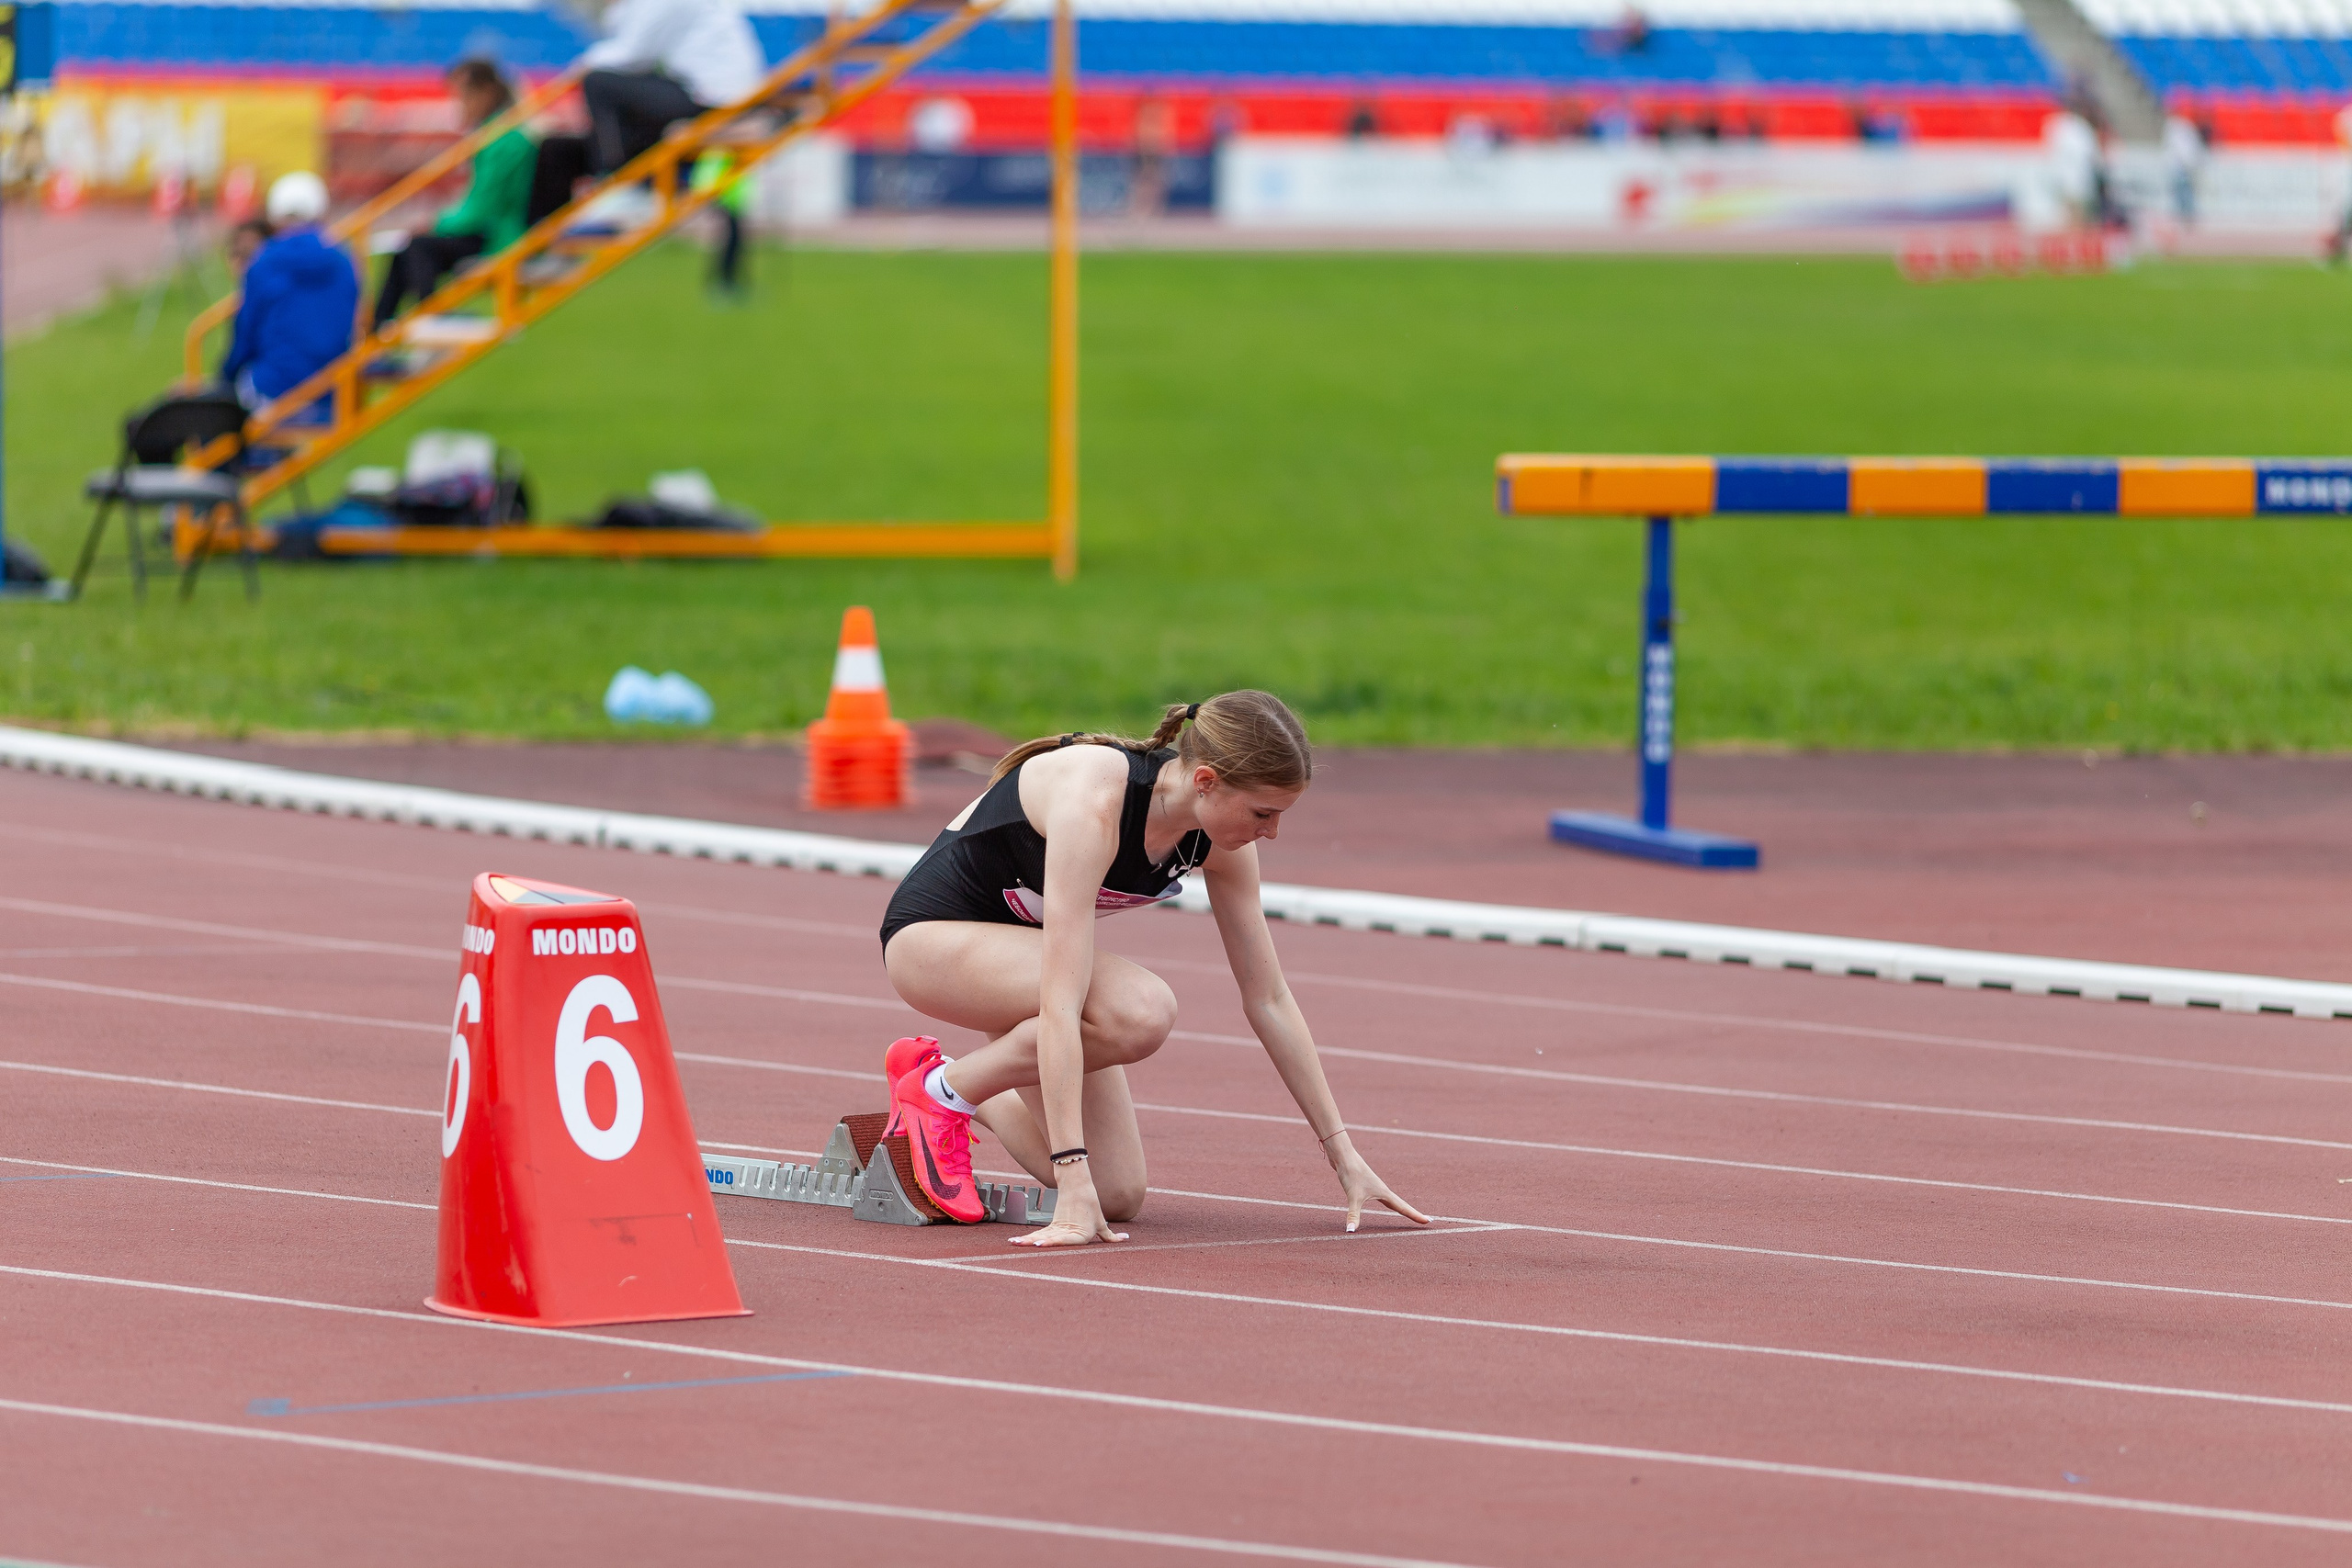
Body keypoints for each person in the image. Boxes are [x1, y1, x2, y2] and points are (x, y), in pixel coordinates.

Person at [876, 692, 1430, 1248]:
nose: (1273, 832)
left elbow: (1268, 997)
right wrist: (1070, 1181)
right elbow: (1061, 1001)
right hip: (931, 944)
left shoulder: (1219, 838)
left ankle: (948, 1085)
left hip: (1018, 959)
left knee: (1117, 1195)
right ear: (1207, 781)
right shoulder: (1096, 802)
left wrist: (1344, 1153)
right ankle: (940, 1095)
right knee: (1140, 1011)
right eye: (1264, 813)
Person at [371, 60, 535, 332]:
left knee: (419, 245)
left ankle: (430, 315)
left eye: (464, 97)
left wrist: (436, 222)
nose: (460, 106)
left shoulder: (504, 138)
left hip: (496, 235)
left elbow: (483, 207)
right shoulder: (496, 133)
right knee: (407, 250)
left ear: (487, 93)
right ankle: (377, 329)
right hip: (486, 228)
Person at [220, 173, 359, 412]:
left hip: (274, 387)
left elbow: (245, 336)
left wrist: (224, 378)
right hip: (333, 390)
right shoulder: (344, 260)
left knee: (214, 414)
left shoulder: (264, 262)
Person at [578, 0, 764, 178]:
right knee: (623, 95)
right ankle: (630, 179)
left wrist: (583, 64)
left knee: (598, 82)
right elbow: (626, 32)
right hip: (706, 91)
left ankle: (614, 175)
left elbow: (633, 54)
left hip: (715, 96)